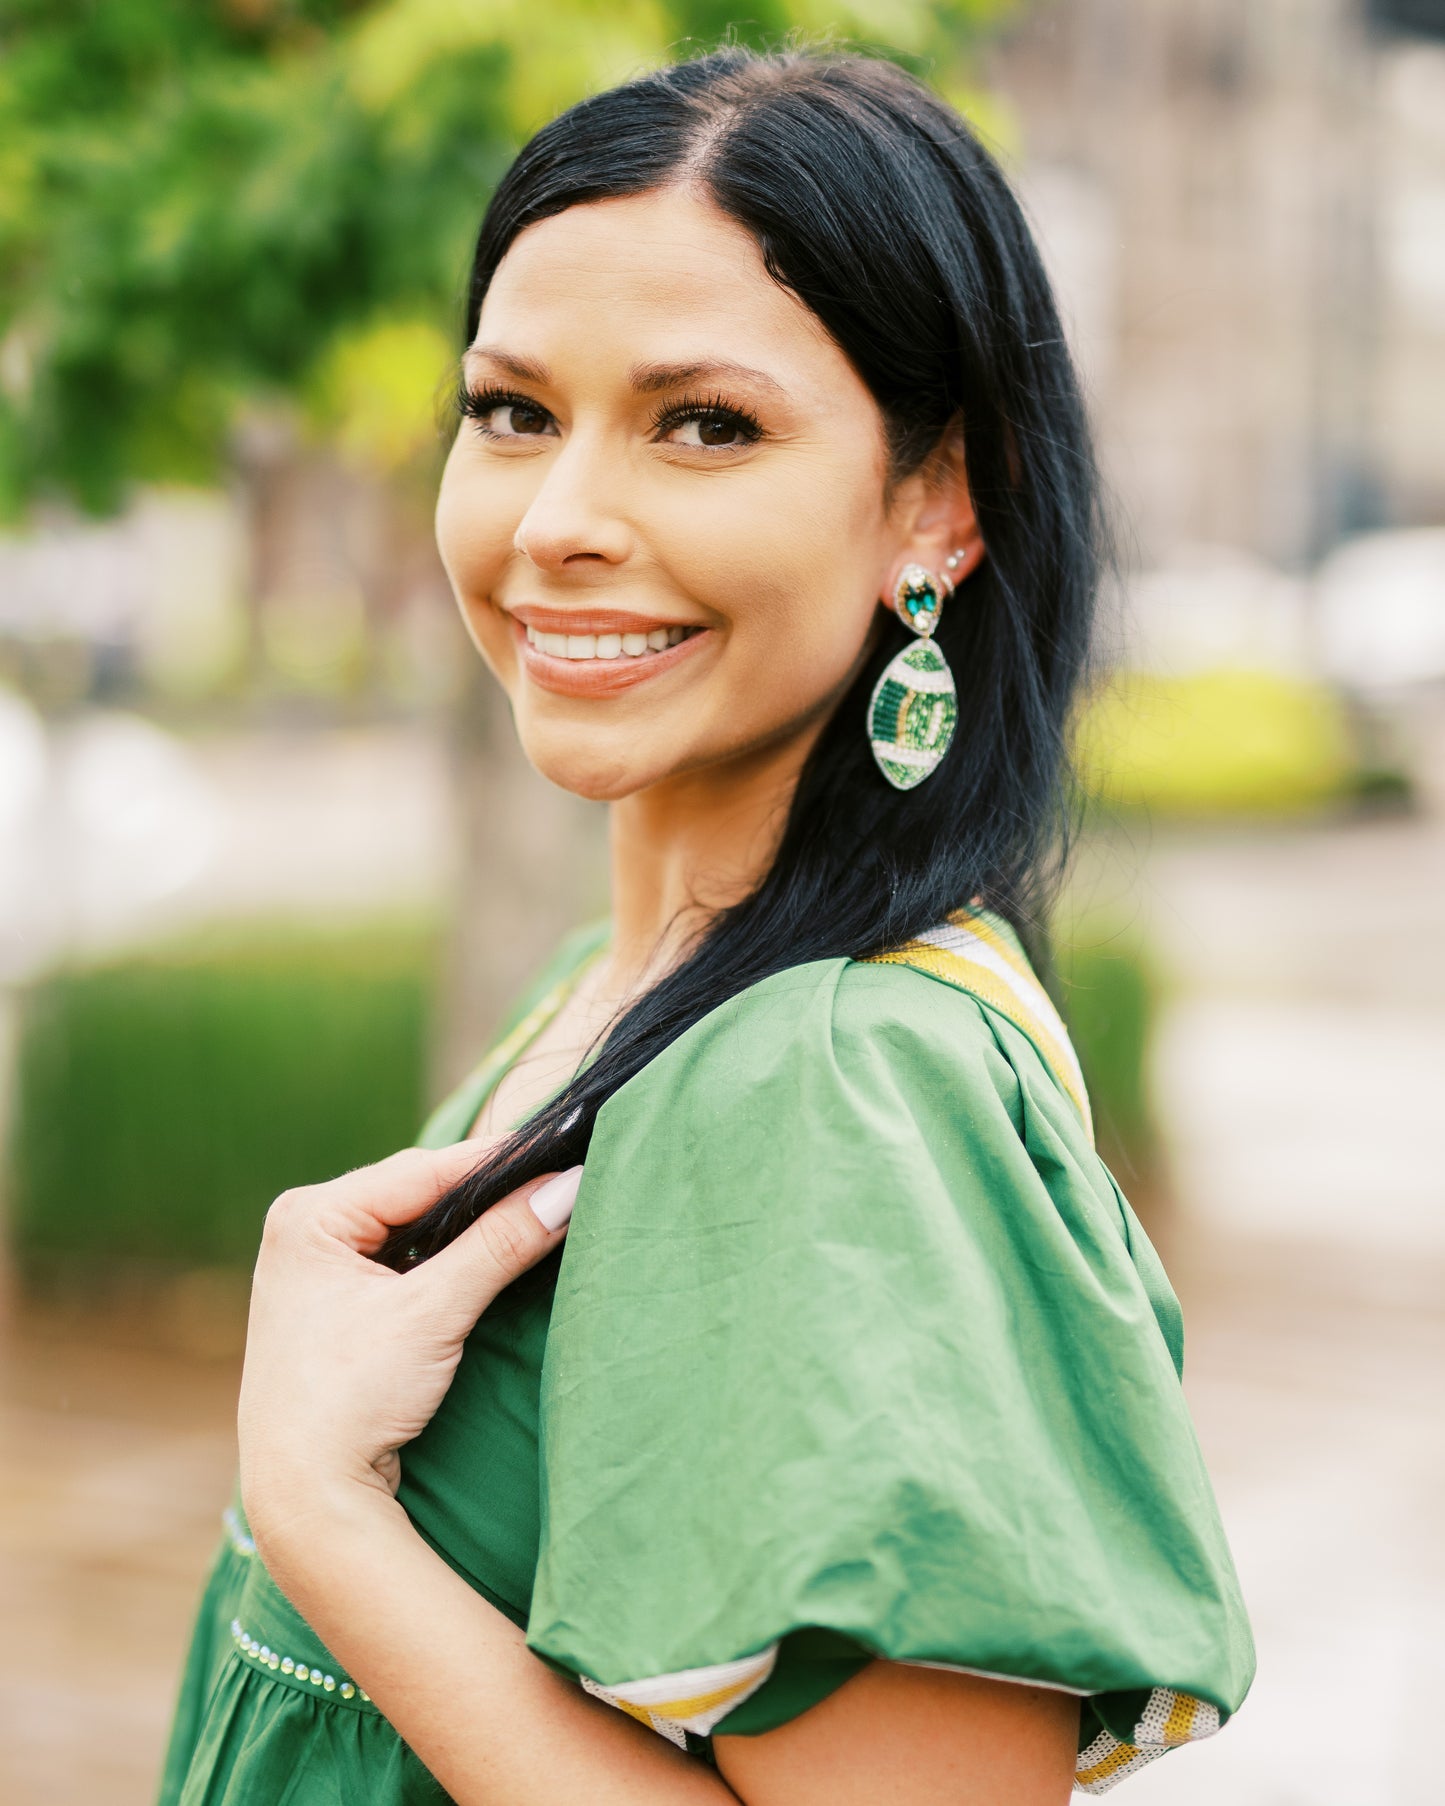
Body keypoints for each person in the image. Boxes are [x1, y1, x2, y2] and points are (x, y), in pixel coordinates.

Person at [158, 45, 1254, 1806]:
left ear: (937, 502)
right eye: (512, 409)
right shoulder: (624, 990)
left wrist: (321, 1506)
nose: (563, 520)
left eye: (704, 424)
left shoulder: (830, 1079)